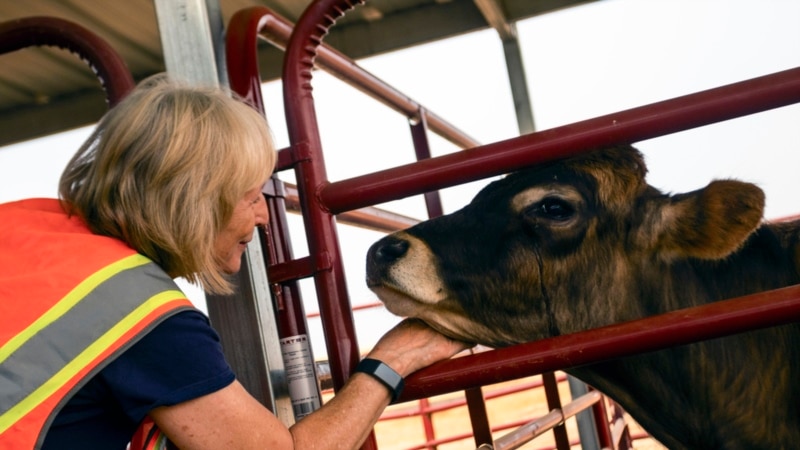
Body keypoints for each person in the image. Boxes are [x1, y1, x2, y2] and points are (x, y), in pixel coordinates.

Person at [0, 74, 469, 449]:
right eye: (250, 196)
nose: (265, 216)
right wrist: (390, 361)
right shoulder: (137, 313)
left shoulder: (23, 225)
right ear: (194, 202)